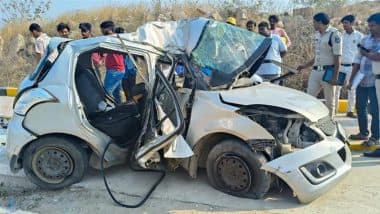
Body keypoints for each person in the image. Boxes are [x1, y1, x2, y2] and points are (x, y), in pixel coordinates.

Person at [297, 12, 342, 118]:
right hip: (315, 71)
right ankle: (307, 120)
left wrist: (335, 76)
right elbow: (317, 56)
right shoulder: (317, 35)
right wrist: (304, 66)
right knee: (309, 98)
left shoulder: (334, 34)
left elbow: (338, 57)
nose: (313, 24)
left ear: (320, 22)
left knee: (330, 101)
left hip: (328, 72)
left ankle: (331, 123)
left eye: (314, 22)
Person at [347, 12, 380, 157]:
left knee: (375, 110)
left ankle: (375, 137)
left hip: (376, 82)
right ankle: (363, 133)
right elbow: (357, 61)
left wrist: (367, 54)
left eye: (373, 25)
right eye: (369, 25)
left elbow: (377, 57)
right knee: (360, 107)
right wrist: (352, 80)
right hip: (362, 80)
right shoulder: (365, 40)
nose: (370, 28)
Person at [335, 15, 363, 118]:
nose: (344, 25)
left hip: (353, 67)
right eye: (343, 23)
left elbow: (362, 52)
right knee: (336, 88)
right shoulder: (340, 36)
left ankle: (350, 111)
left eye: (346, 23)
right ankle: (333, 111)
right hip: (341, 66)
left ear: (352, 23)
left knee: (352, 89)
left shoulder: (359, 36)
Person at [100, 21, 125, 103]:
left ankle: (108, 110)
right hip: (116, 69)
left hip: (115, 70)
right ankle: (120, 110)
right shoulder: (114, 38)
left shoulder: (112, 38)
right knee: (116, 94)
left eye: (103, 29)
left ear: (108, 29)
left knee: (106, 93)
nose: (102, 31)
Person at [115, 27, 137, 100]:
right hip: (124, 72)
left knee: (133, 91)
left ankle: (134, 105)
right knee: (127, 91)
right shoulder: (115, 45)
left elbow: (135, 56)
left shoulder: (130, 43)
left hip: (131, 70)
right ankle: (130, 104)